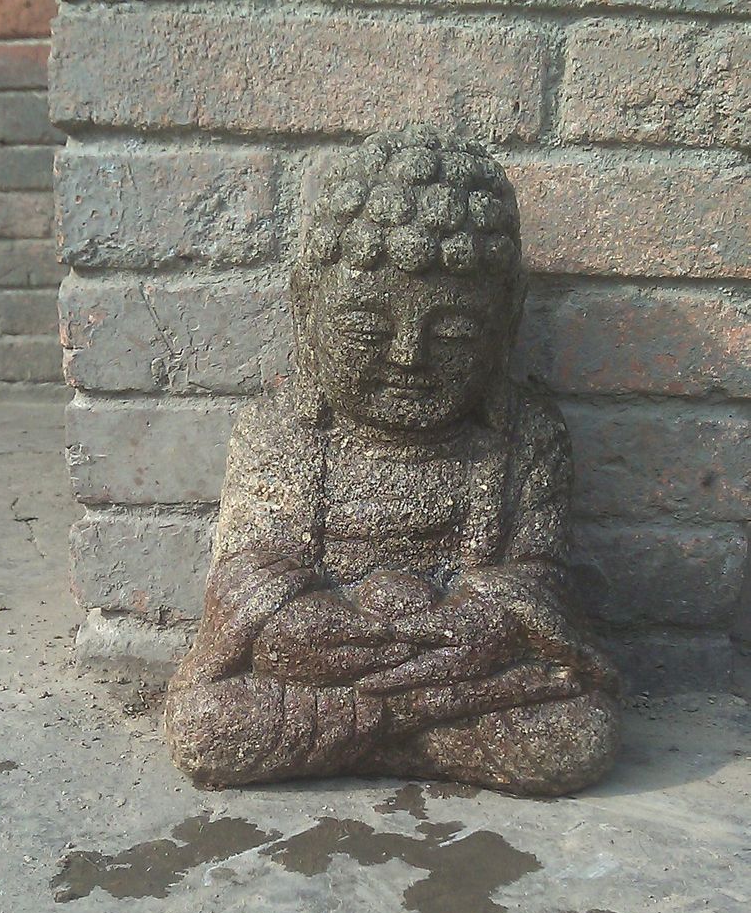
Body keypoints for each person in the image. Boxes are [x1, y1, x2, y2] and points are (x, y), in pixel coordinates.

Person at [165, 126, 620, 794]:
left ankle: (367, 730)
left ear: (507, 320)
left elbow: (536, 582)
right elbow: (249, 582)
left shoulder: (529, 436)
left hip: (443, 662)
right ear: (305, 307)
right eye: (367, 328)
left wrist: (476, 622)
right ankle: (416, 726)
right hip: (360, 663)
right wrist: (337, 624)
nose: (410, 356)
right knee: (209, 726)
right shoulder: (278, 430)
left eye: (454, 330)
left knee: (576, 735)